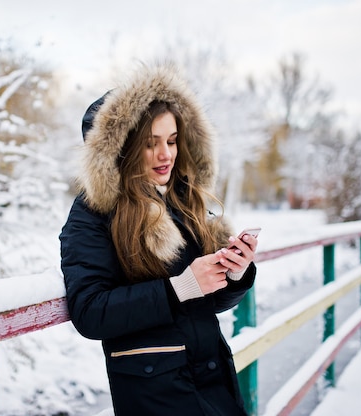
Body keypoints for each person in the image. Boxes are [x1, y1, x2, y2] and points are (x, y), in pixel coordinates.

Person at [59, 64, 258, 416]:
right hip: (156, 395)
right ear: (122, 149)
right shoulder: (94, 212)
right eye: (151, 144)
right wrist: (179, 287)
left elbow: (211, 300)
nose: (166, 154)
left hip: (214, 380)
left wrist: (235, 271)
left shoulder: (187, 200)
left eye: (172, 140)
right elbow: (90, 311)